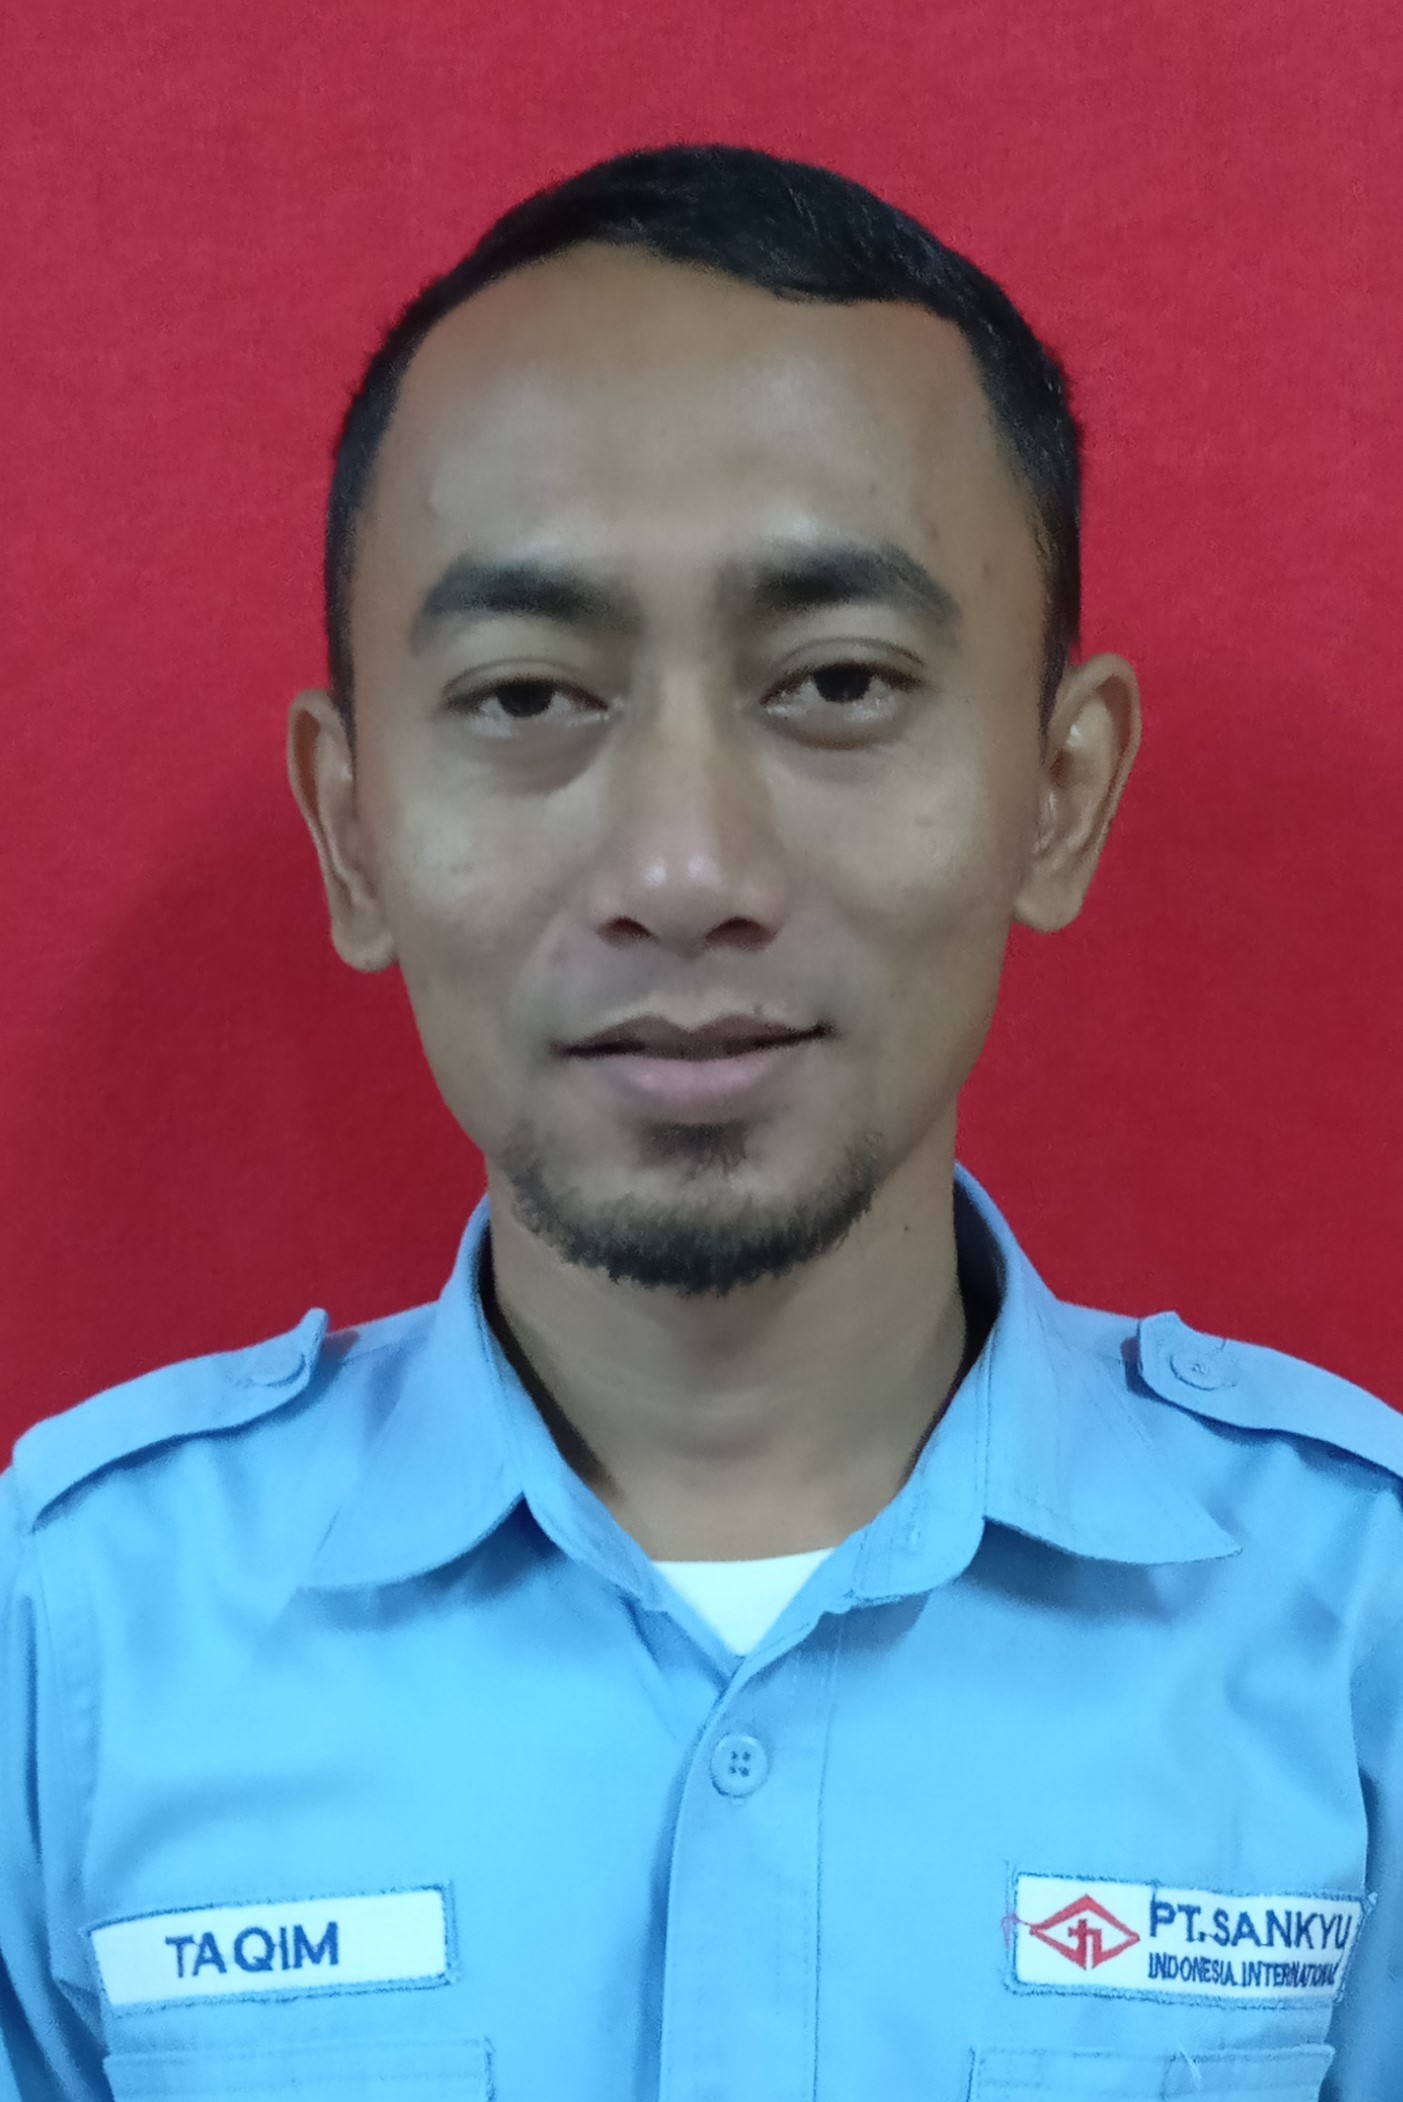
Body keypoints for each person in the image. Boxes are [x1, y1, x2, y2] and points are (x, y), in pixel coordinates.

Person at [2, 143, 1398, 2102]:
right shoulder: (65, 1636)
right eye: (525, 697)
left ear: (1060, 790)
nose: (682, 869)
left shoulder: (1354, 1621)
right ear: (354, 829)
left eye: (837, 681)